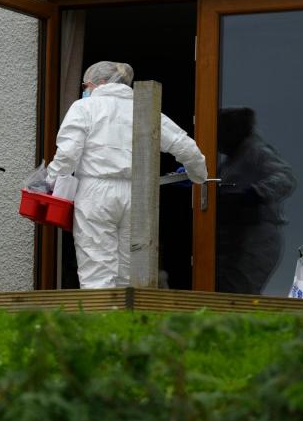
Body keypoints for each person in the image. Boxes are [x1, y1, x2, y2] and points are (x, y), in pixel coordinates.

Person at [46, 61, 208, 289]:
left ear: (100, 83)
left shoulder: (85, 108)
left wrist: (50, 181)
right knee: (130, 272)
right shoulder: (145, 109)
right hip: (137, 194)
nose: (85, 89)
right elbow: (185, 146)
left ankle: (100, 321)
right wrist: (197, 174)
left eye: (86, 85)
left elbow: (68, 153)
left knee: (96, 268)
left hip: (95, 193)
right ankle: (125, 321)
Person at [215, 107, 296, 294]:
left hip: (255, 238)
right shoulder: (231, 161)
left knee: (238, 293)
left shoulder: (256, 152)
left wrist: (255, 194)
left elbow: (285, 178)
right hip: (235, 239)